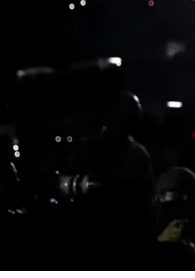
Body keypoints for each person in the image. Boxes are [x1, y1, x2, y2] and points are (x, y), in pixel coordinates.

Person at [65, 91, 155, 266]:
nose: (136, 114)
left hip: (121, 235)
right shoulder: (90, 149)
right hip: (100, 233)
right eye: (130, 110)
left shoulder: (137, 153)